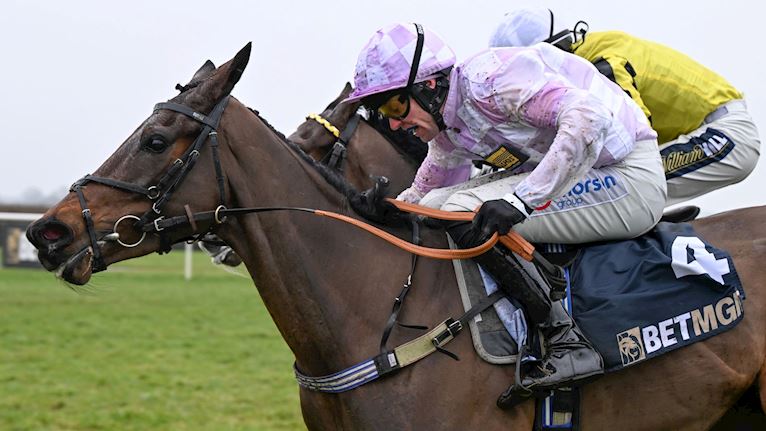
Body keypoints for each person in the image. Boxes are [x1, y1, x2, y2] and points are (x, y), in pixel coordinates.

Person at [346, 23, 666, 406]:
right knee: (437, 209)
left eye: (396, 106)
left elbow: (588, 118)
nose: (394, 123)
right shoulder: (450, 124)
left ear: (428, 85)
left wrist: (522, 201)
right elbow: (428, 193)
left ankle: (565, 339)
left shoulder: (491, 83)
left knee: (462, 210)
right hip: (588, 172)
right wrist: (392, 207)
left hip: (627, 177)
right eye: (383, 112)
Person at [489, 7, 761, 206]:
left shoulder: (601, 64)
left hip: (722, 135)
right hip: (714, 130)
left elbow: (628, 138)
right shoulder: (593, 51)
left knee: (611, 187)